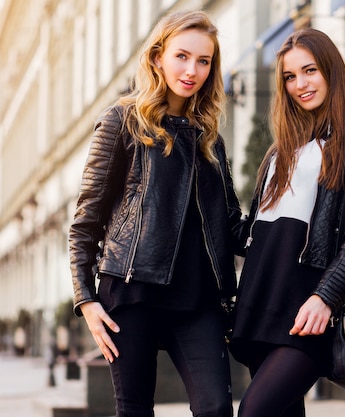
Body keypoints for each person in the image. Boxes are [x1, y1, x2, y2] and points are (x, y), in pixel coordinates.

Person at [68, 10, 242, 417]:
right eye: (182, 56)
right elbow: (85, 222)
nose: (192, 70)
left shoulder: (209, 137)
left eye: (204, 61)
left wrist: (285, 216)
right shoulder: (121, 120)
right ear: (157, 56)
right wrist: (86, 300)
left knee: (216, 407)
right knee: (134, 410)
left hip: (198, 299)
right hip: (131, 293)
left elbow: (230, 223)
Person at [229, 28, 345, 417]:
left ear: (331, 70)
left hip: (310, 304)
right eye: (290, 77)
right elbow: (254, 233)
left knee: (253, 411)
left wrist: (327, 296)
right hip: (260, 301)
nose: (300, 84)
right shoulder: (279, 151)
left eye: (309, 71)